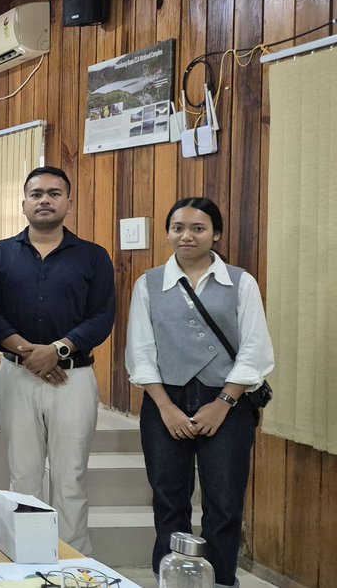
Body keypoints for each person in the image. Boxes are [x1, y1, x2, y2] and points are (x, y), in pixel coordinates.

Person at [126, 197, 272, 587]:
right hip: (164, 399)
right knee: (169, 499)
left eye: (198, 228)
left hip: (228, 401)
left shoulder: (241, 282)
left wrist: (222, 404)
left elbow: (255, 350)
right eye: (178, 228)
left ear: (216, 234)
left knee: (223, 502)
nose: (186, 236)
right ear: (169, 232)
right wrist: (165, 407)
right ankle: (170, 578)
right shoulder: (149, 283)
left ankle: (222, 580)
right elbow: (140, 351)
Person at [0, 166, 115, 554]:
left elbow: (101, 317)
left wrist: (57, 350)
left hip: (73, 379)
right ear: (23, 203)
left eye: (54, 193)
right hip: (17, 375)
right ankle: (25, 551)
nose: (45, 199)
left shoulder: (93, 257)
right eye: (36, 193)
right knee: (24, 474)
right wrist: (28, 351)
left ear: (68, 203)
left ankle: (72, 556)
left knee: (70, 476)